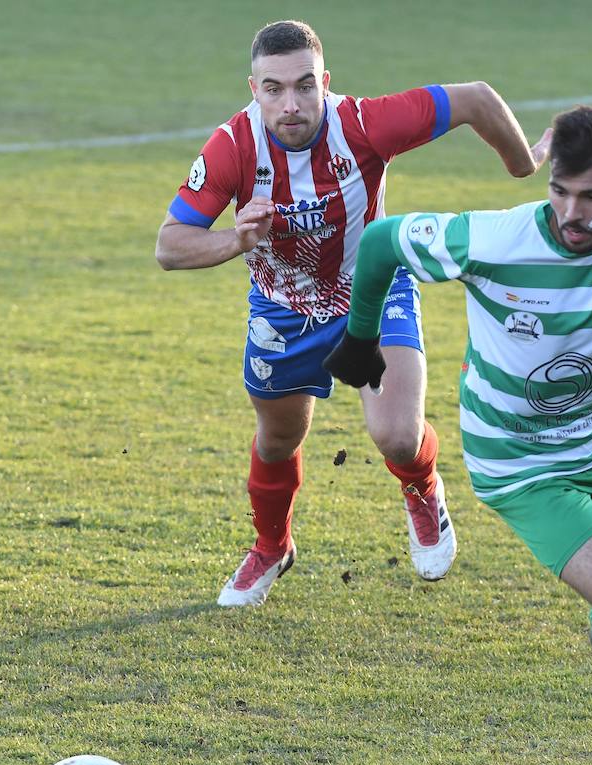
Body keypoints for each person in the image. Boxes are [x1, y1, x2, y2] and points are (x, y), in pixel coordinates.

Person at [324, 105, 592, 765]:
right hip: (516, 458)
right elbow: (380, 243)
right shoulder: (495, 238)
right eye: (559, 192)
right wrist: (361, 335)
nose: (571, 213)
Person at [156, 20, 546, 607]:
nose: (291, 104)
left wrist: (524, 166)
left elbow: (475, 99)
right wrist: (235, 240)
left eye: (305, 86)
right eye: (274, 88)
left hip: (372, 288)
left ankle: (421, 486)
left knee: (396, 435)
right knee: (278, 437)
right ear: (253, 88)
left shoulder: (363, 124)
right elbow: (170, 244)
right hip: (282, 307)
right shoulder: (233, 147)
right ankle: (272, 546)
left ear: (325, 82)